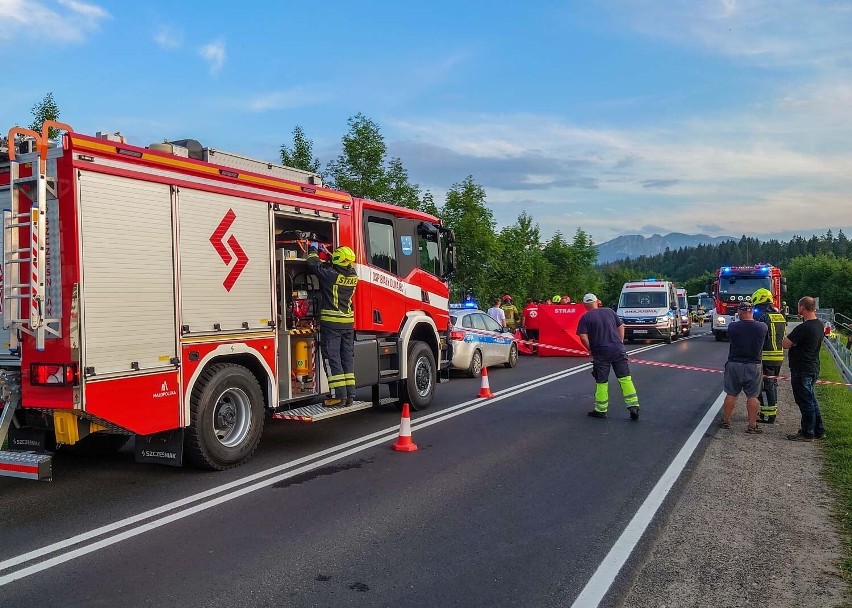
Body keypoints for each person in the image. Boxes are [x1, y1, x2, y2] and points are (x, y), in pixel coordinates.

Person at [308, 242, 358, 407]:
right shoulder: (353, 276)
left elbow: (313, 264)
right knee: (346, 359)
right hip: (348, 324)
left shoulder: (331, 276)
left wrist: (313, 249)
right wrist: (329, 254)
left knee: (332, 358)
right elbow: (336, 266)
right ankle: (349, 395)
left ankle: (337, 396)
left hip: (332, 324)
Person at [576, 293, 640, 420]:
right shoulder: (610, 312)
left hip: (600, 352)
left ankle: (601, 410)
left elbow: (583, 336)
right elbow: (621, 326)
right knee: (625, 378)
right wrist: (620, 342)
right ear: (597, 302)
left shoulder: (585, 317)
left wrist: (590, 349)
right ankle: (633, 406)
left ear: (584, 305)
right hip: (617, 350)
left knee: (602, 381)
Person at [719, 301, 767, 434]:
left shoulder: (733, 327)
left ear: (740, 312)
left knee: (731, 394)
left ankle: (726, 421)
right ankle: (752, 425)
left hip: (735, 363)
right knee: (753, 396)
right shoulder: (762, 327)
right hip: (754, 364)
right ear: (752, 312)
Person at [782, 296, 825, 442]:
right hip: (813, 366)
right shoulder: (819, 325)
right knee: (811, 400)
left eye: (798, 306)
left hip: (802, 368)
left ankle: (807, 433)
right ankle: (819, 430)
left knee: (804, 401)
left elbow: (786, 344)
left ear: (802, 308)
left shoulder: (803, 328)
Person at [752, 288, 787, 424]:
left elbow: (757, 337)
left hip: (765, 356)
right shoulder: (779, 315)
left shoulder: (761, 316)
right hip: (778, 356)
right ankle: (771, 412)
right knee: (772, 385)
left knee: (765, 386)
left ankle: (768, 415)